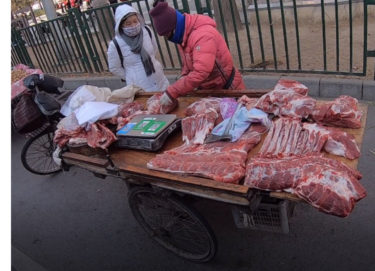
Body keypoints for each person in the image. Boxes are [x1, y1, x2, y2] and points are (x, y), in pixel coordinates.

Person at [149, 0, 245, 110]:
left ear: (174, 27)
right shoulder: (183, 35)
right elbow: (189, 63)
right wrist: (184, 76)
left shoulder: (202, 35)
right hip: (211, 91)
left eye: (167, 35)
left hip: (228, 90)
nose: (167, 38)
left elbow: (201, 72)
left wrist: (173, 91)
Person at [107, 4, 169, 92]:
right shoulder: (116, 44)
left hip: (159, 80)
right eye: (128, 23)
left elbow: (154, 49)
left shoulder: (147, 30)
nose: (133, 25)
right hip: (139, 87)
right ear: (121, 25)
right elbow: (114, 67)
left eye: (135, 21)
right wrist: (131, 75)